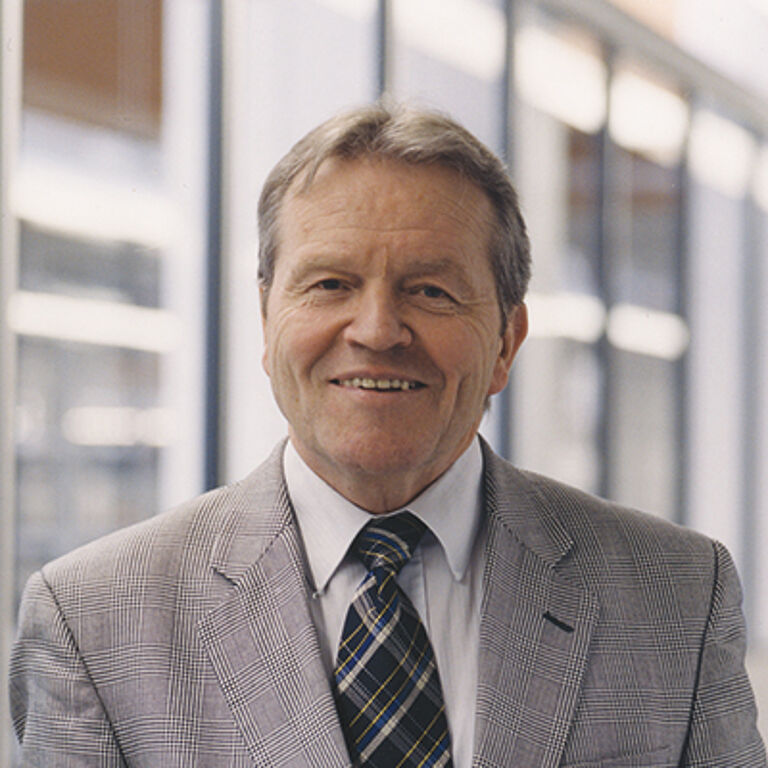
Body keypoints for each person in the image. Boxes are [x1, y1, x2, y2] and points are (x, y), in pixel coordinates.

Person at [9, 102, 766, 767]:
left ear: (506, 342)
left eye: (430, 291)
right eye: (330, 284)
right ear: (267, 322)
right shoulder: (93, 621)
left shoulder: (676, 595)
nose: (376, 331)